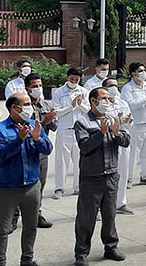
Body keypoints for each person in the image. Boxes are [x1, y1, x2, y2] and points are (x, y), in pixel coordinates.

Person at [0, 93, 52, 266]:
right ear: (14, 108)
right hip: (7, 187)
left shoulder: (34, 125)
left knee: (31, 226)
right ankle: (0, 262)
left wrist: (38, 138)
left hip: (32, 185)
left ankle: (27, 259)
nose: (29, 107)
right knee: (2, 229)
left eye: (30, 104)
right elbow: (1, 155)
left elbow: (47, 150)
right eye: (25, 104)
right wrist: (19, 139)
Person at [73, 88, 130, 265]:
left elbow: (126, 142)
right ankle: (81, 253)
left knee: (110, 214)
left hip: (111, 175)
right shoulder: (82, 122)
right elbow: (85, 147)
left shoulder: (113, 118)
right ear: (93, 101)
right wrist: (102, 133)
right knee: (86, 217)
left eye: (109, 98)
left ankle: (111, 247)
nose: (108, 101)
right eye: (104, 98)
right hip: (92, 177)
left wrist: (117, 132)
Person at [52, 68, 91, 199]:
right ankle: (59, 188)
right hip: (65, 130)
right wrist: (71, 106)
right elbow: (56, 112)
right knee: (61, 161)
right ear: (67, 77)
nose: (74, 82)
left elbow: (88, 110)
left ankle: (78, 187)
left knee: (80, 161)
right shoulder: (59, 92)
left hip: (80, 131)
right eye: (71, 79)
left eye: (77, 80)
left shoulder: (84, 92)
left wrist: (80, 105)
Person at [122, 63, 146, 187]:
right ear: (134, 74)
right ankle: (128, 178)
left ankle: (145, 175)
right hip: (136, 125)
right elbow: (130, 105)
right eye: (141, 71)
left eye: (144, 70)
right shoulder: (128, 88)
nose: (144, 73)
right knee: (133, 153)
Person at [25, 74, 55, 228]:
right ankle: (14, 217)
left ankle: (37, 214)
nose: (38, 89)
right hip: (27, 151)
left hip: (42, 151)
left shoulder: (46, 105)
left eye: (40, 85)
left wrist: (50, 120)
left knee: (40, 185)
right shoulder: (24, 105)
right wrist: (45, 122)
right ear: (27, 88)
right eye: (35, 86)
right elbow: (27, 130)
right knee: (23, 185)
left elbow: (53, 127)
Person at [103, 78, 134, 215]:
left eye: (116, 85)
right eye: (111, 86)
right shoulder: (102, 105)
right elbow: (103, 122)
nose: (114, 88)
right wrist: (117, 121)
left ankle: (120, 203)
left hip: (122, 140)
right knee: (107, 175)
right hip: (108, 142)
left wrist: (127, 121)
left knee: (122, 172)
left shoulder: (123, 103)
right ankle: (102, 206)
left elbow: (128, 123)